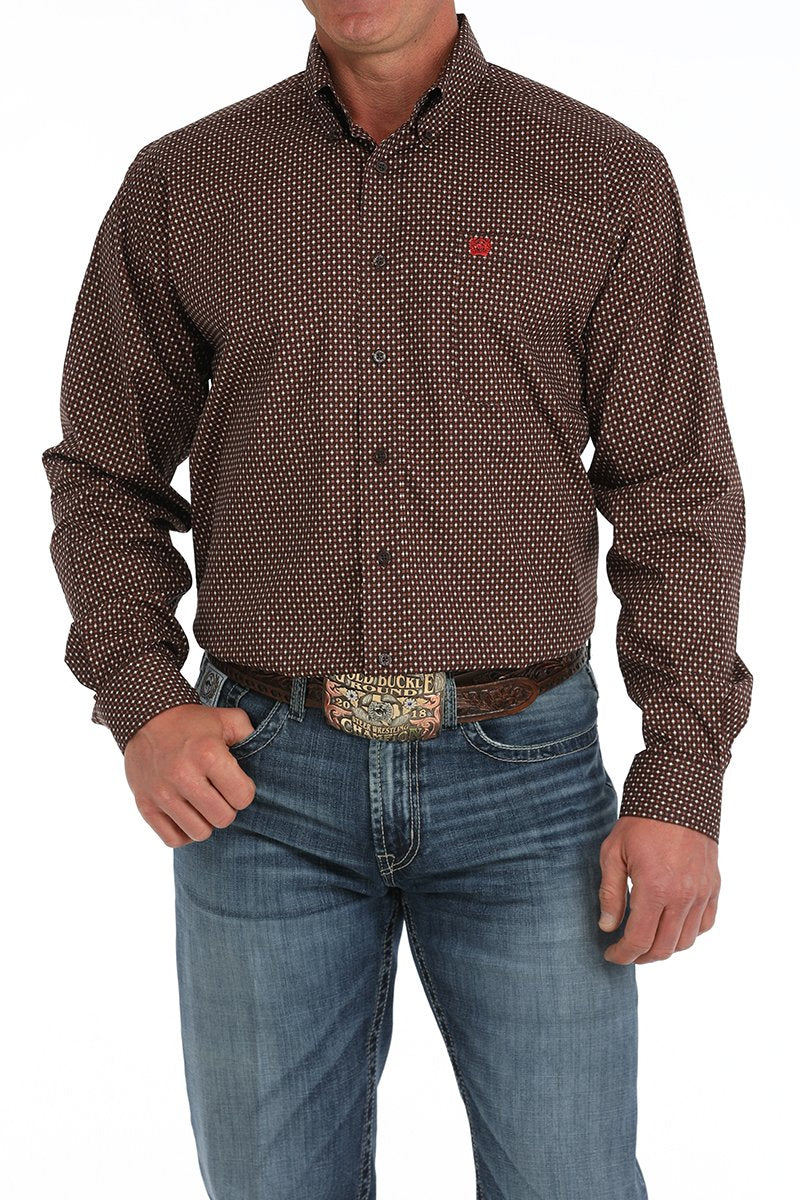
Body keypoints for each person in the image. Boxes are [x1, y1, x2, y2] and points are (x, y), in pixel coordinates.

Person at [41, 4, 753, 1197]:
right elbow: (105, 473)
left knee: (568, 1182)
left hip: (527, 788)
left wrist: (681, 777)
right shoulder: (186, 184)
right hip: (258, 788)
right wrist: (141, 701)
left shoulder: (601, 176)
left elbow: (675, 491)